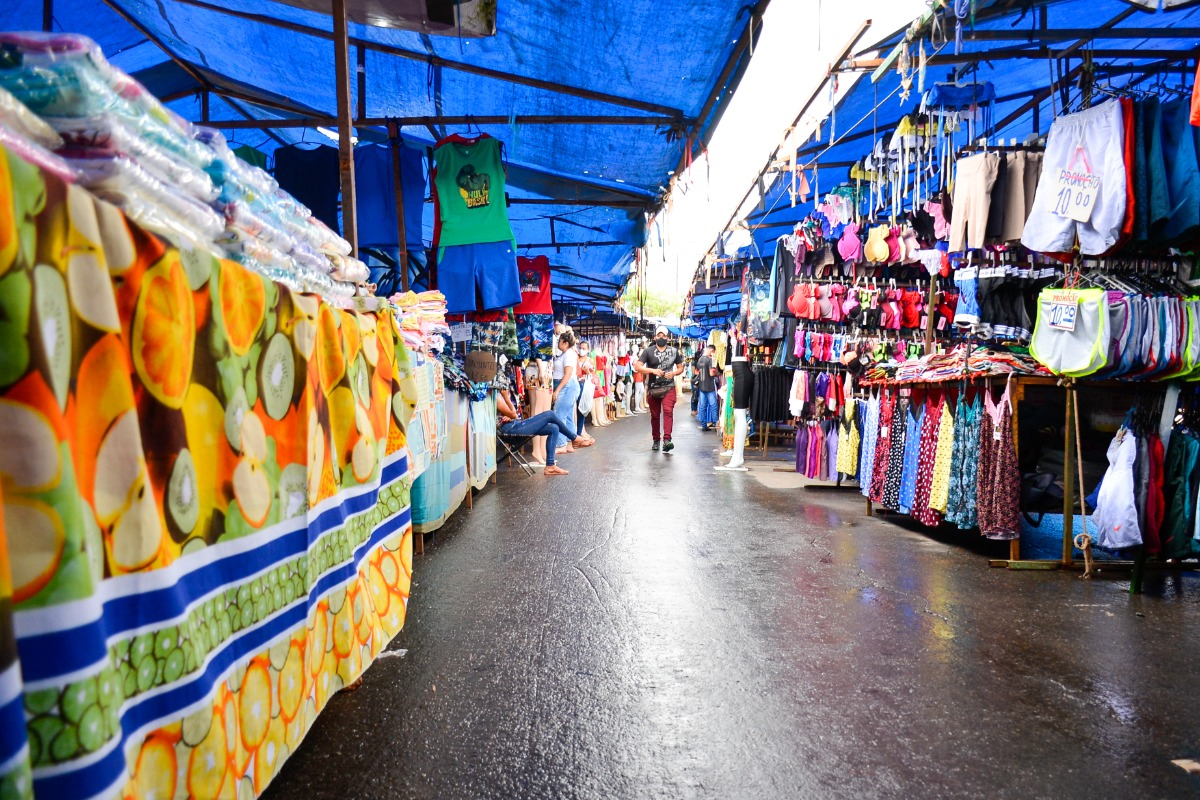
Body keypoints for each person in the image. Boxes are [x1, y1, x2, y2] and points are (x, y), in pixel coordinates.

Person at [496, 390, 572, 475]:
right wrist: (506, 398)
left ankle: (550, 466)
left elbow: (514, 415)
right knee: (550, 414)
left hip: (514, 425)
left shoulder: (498, 395)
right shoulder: (496, 397)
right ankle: (574, 437)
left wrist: (511, 416)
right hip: (510, 430)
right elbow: (514, 414)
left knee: (553, 428)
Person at [634, 325, 684, 451]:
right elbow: (637, 367)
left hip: (669, 387)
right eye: (659, 335)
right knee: (655, 415)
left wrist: (673, 373)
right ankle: (656, 439)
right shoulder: (648, 351)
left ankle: (667, 439)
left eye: (664, 335)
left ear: (667, 337)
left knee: (668, 411)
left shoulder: (674, 351)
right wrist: (652, 371)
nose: (661, 337)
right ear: (655, 337)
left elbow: (680, 367)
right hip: (653, 388)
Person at [551, 330, 581, 455]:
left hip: (567, 386)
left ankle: (561, 444)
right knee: (568, 416)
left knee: (559, 415)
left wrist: (557, 390)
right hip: (568, 386)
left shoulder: (568, 354)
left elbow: (568, 374)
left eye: (559, 341)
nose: (558, 343)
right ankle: (569, 443)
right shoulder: (567, 354)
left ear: (565, 342)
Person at [696, 345, 719, 431]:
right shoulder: (710, 360)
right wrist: (716, 372)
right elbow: (711, 373)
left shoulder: (700, 359)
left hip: (702, 386)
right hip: (709, 386)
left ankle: (703, 425)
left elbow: (697, 371)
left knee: (702, 406)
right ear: (712, 351)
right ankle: (716, 424)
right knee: (713, 406)